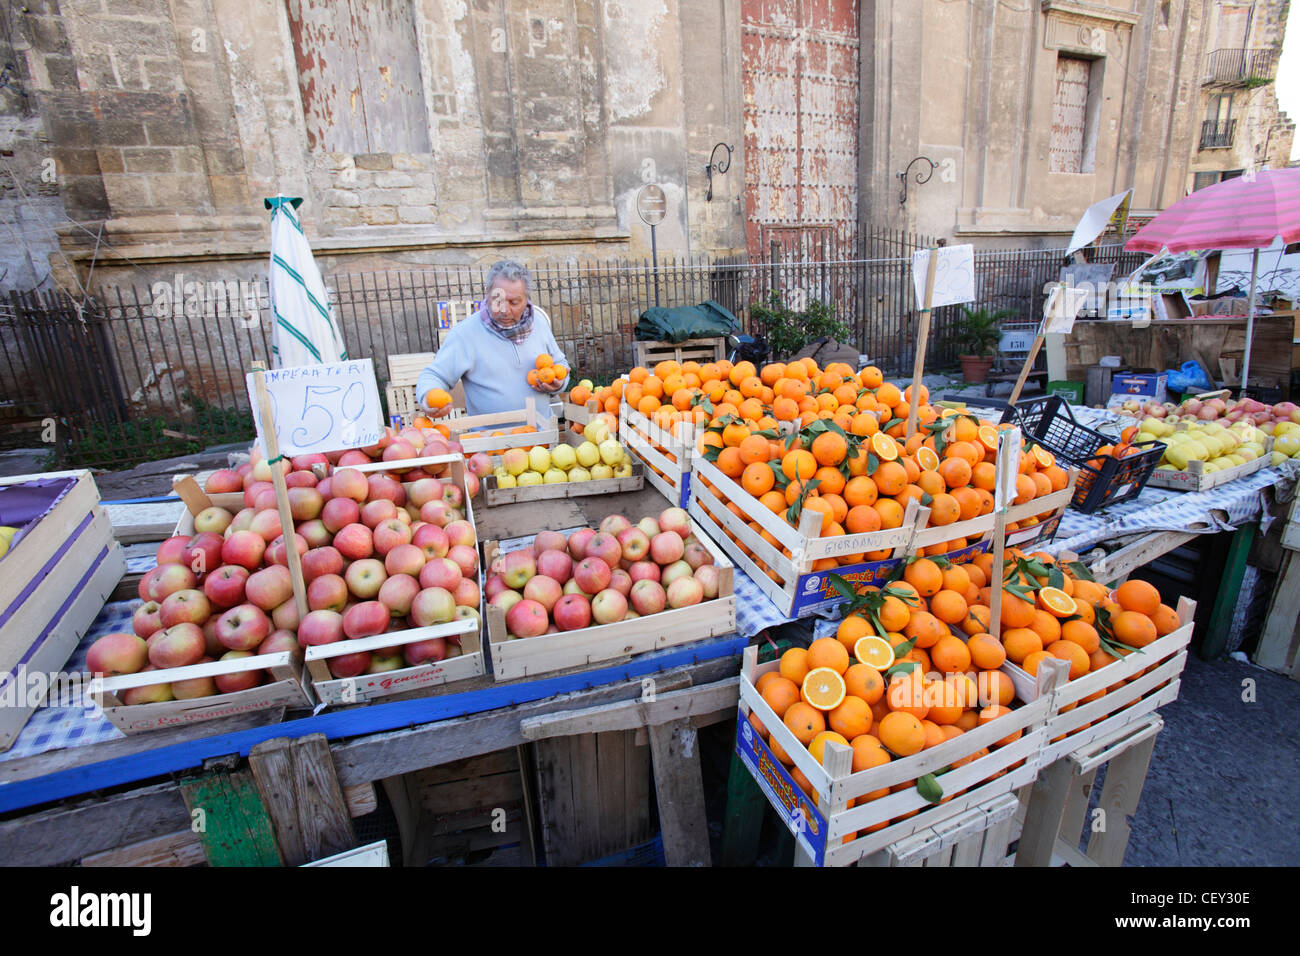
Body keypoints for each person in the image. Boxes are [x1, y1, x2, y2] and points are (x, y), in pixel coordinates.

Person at [416, 260, 569, 421]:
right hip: (492, 441)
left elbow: (561, 364)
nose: (504, 310)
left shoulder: (539, 323)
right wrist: (428, 397)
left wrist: (559, 384)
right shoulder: (465, 334)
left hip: (542, 438)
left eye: (514, 302)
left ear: (526, 298)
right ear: (487, 292)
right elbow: (434, 375)